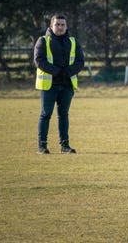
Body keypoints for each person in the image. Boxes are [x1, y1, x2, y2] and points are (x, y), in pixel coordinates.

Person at [34, 14, 85, 154]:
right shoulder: (43, 41)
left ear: (66, 26)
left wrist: (67, 72)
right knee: (46, 114)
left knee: (63, 115)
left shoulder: (73, 41)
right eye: (57, 24)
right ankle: (42, 146)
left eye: (63, 24)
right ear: (51, 26)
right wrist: (57, 72)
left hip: (67, 86)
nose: (60, 27)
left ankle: (65, 146)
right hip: (49, 86)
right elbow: (39, 60)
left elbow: (80, 62)